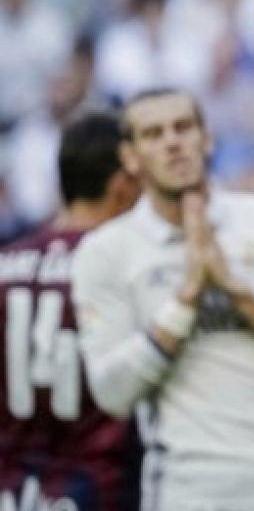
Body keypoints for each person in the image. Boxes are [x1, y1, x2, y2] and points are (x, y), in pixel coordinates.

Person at [71, 88, 254, 511]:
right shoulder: (106, 252)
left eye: (184, 127)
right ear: (130, 157)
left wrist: (235, 288)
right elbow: (112, 391)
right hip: (188, 493)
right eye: (153, 134)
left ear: (207, 138)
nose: (172, 142)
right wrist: (186, 298)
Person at [0, 112, 142, 510]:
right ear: (122, 187)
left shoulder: (6, 263)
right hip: (97, 487)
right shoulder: (121, 272)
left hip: (12, 489)